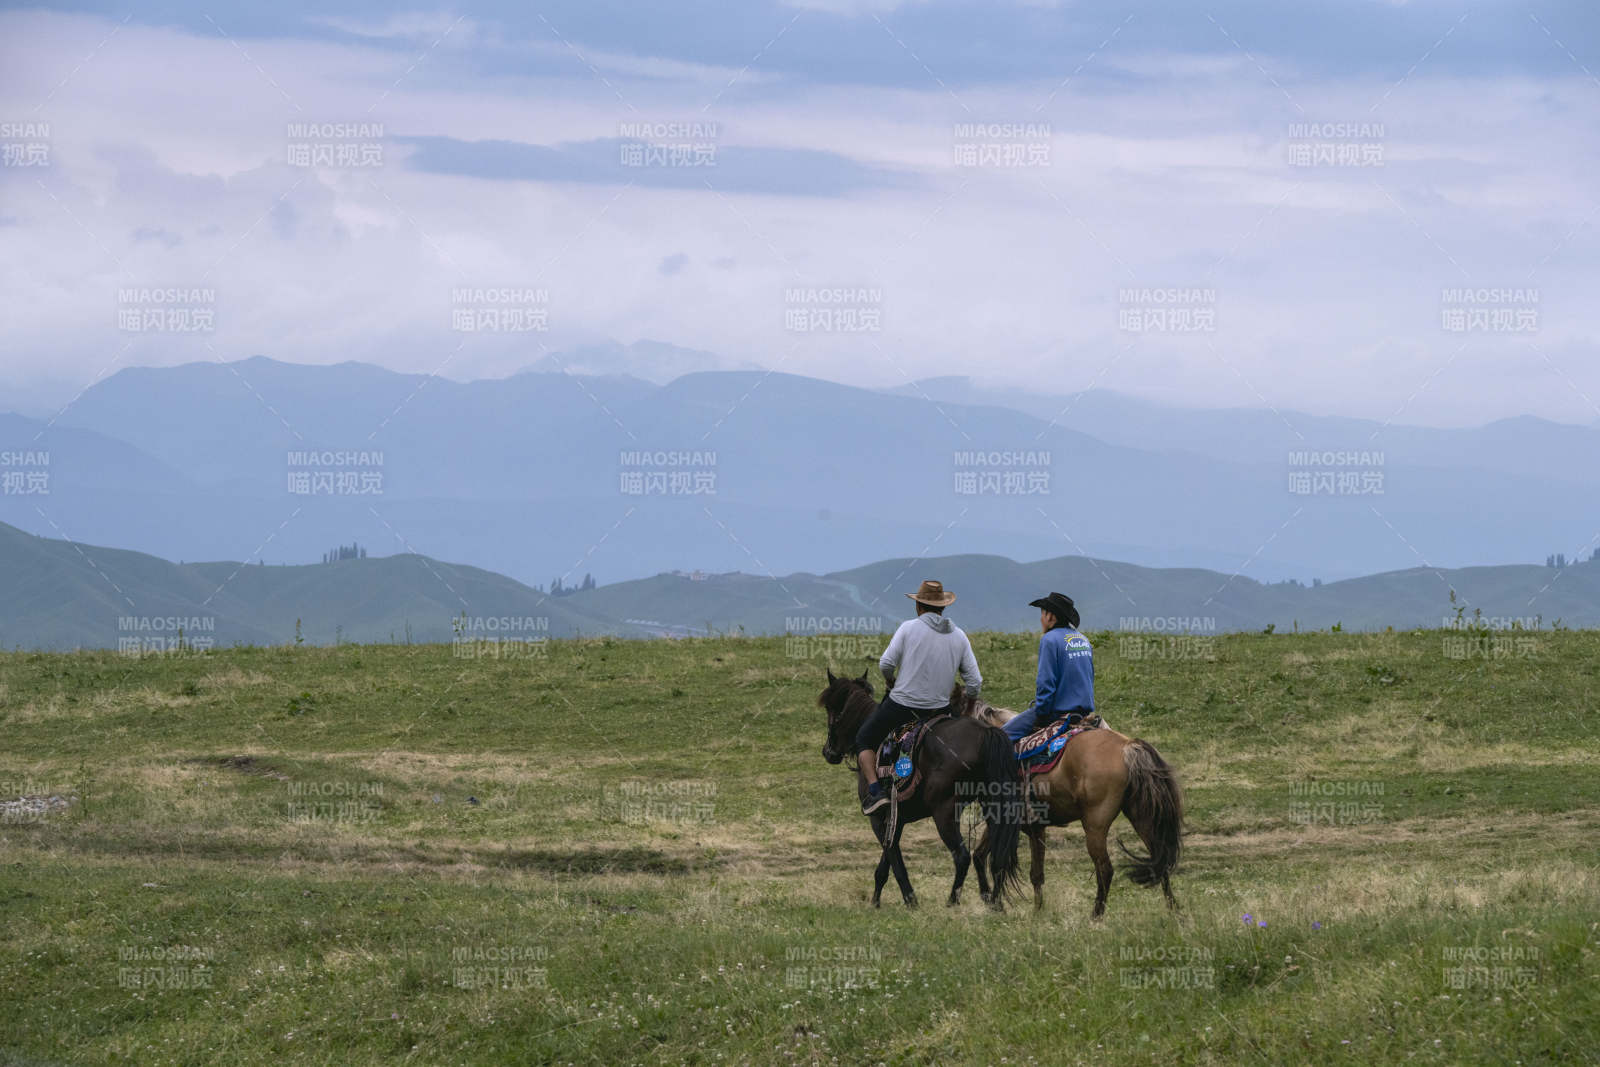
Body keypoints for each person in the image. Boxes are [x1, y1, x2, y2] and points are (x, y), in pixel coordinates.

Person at [854, 579, 982, 814]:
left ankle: (875, 792)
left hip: (902, 706)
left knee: (863, 738)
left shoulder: (908, 628)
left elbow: (886, 663)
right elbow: (974, 682)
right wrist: (968, 708)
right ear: (943, 607)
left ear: (918, 606)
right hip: (939, 710)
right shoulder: (960, 636)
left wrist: (890, 680)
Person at [1003, 592, 1094, 744]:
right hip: (1084, 711)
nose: (1041, 618)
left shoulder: (1049, 640)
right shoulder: (1084, 639)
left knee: (1001, 737)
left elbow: (1046, 682)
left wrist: (1041, 713)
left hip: (1057, 713)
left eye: (1042, 613)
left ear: (1050, 616)